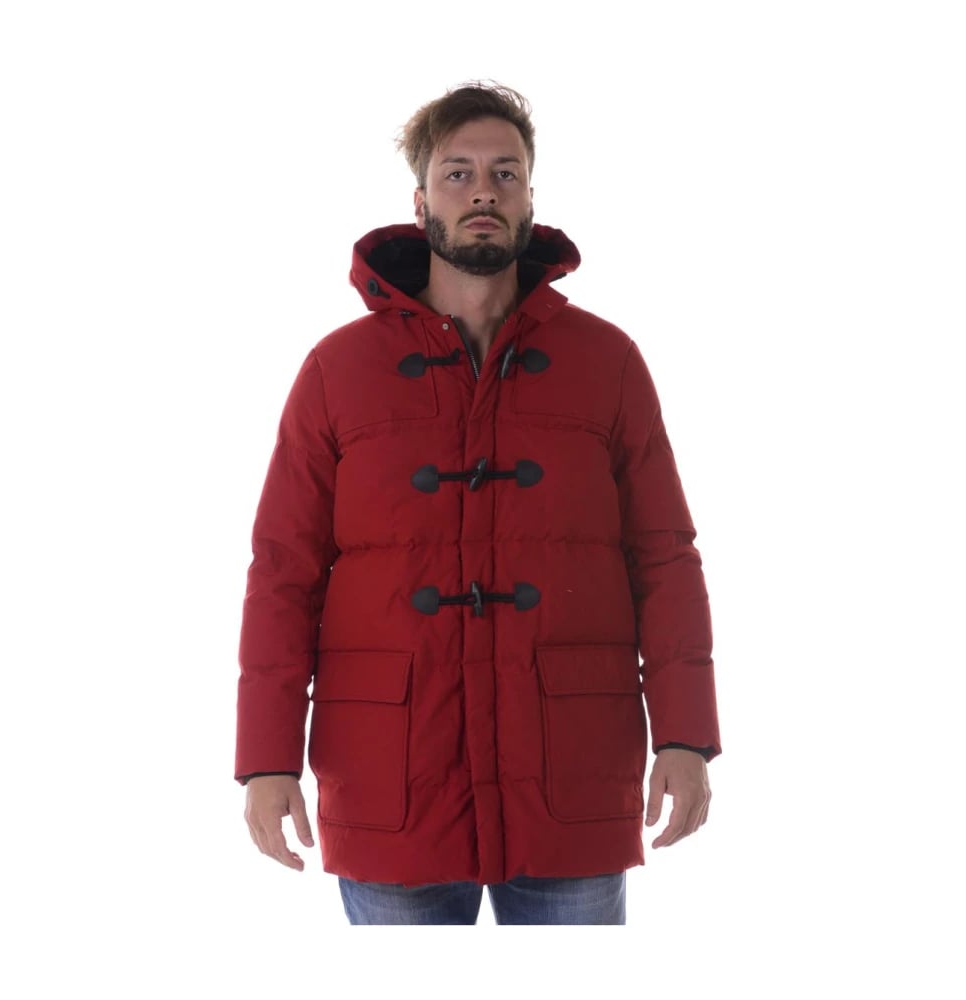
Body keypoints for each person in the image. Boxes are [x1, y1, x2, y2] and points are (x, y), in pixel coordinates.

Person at [235, 81, 721, 925]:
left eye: (505, 172)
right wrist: (265, 758)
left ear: (531, 197)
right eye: (457, 174)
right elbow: (283, 572)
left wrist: (685, 735)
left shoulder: (606, 361)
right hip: (392, 771)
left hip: (570, 767)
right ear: (421, 201)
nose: (483, 192)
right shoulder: (337, 371)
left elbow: (665, 557)